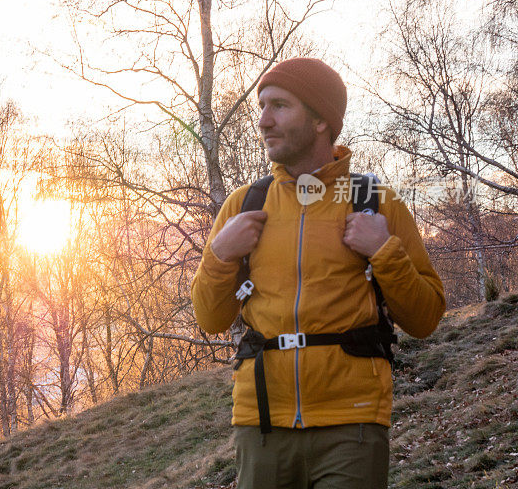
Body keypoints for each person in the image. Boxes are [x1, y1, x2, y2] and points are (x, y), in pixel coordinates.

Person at [190, 57, 445, 489]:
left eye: (279, 106)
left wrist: (383, 250)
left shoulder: (373, 199)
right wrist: (219, 254)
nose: (263, 121)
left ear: (322, 119)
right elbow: (210, 319)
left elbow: (425, 318)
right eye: (261, 107)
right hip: (262, 422)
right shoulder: (246, 203)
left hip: (353, 421)